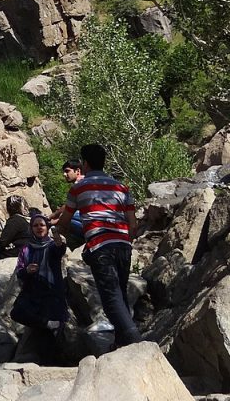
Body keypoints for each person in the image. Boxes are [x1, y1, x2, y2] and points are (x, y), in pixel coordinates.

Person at [57, 143, 142, 347]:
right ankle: (120, 344)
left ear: (85, 164)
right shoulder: (121, 187)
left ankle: (136, 343)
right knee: (120, 294)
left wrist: (56, 232)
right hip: (123, 245)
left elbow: (65, 221)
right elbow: (133, 223)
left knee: (111, 299)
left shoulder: (78, 188)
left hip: (100, 246)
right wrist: (125, 240)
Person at [10, 214, 68, 361]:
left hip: (51, 290)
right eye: (35, 225)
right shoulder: (26, 249)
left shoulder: (52, 246)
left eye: (42, 225)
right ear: (31, 229)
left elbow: (60, 249)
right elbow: (20, 272)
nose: (39, 228)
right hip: (32, 291)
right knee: (17, 313)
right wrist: (27, 270)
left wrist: (57, 236)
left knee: (47, 338)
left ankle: (53, 362)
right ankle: (48, 324)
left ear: (47, 227)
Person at [0, 195, 31, 264]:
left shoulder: (15, 220)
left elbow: (2, 242)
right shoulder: (25, 220)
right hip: (27, 250)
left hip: (19, 252)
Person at [49, 159, 85, 248]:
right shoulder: (86, 181)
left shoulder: (79, 184)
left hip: (88, 223)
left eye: (67, 171)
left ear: (77, 171)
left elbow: (68, 208)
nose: (64, 174)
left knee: (61, 223)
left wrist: (53, 218)